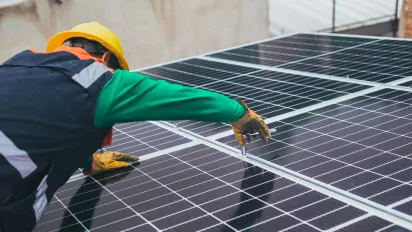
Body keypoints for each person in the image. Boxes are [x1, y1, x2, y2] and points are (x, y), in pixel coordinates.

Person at [0, 22, 271, 232]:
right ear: (107, 58)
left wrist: (89, 162)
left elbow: (45, 121)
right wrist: (238, 113)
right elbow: (177, 97)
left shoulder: (17, 63)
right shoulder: (99, 79)